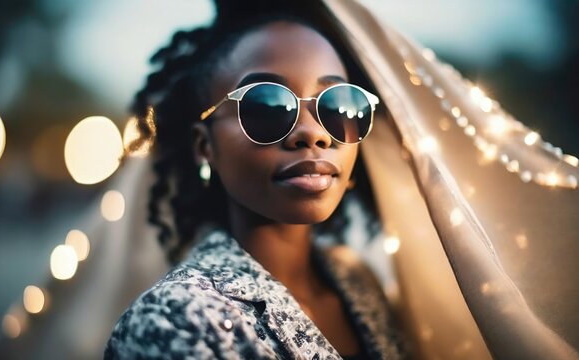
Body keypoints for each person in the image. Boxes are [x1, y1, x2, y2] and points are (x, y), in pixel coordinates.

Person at [105, 0, 402, 358]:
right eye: (267, 106)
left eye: (337, 106)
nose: (313, 133)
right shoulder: (176, 318)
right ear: (205, 146)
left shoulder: (358, 279)